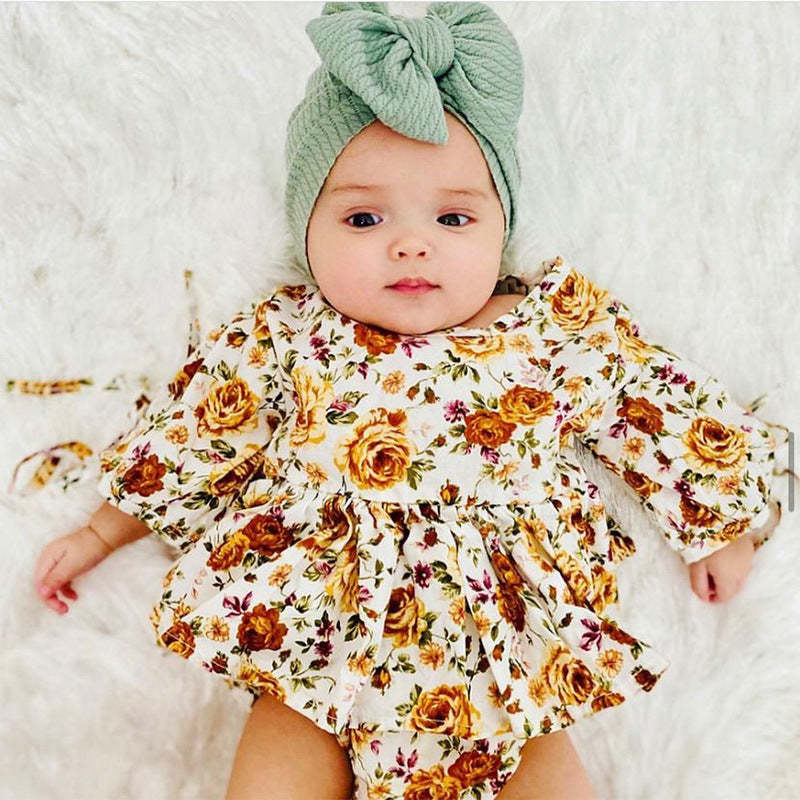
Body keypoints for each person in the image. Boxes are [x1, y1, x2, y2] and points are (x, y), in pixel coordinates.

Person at [32, 3, 784, 799]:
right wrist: (100, 531)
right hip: (317, 653)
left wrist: (717, 526)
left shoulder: (553, 329)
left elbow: (653, 403)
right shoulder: (290, 334)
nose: (411, 243)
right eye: (363, 217)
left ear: (501, 226)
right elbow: (199, 432)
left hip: (505, 664)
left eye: (453, 216)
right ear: (306, 231)